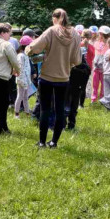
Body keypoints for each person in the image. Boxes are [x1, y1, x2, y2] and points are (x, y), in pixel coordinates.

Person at [26, 9, 81, 148]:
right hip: (63, 78)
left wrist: (28, 50)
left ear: (54, 18)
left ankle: (41, 142)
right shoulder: (75, 34)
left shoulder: (51, 31)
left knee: (45, 109)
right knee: (60, 110)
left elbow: (34, 48)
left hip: (46, 77)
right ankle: (54, 142)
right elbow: (77, 60)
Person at [0, 23, 21, 135]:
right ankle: (3, 126)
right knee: (3, 103)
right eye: (8, 33)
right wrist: (18, 71)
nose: (10, 36)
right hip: (1, 76)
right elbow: (14, 60)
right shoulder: (6, 45)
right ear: (2, 33)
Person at [91, 26, 110, 103]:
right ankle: (93, 98)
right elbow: (94, 53)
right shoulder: (96, 42)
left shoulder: (109, 43)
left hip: (104, 67)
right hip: (96, 65)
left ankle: (102, 97)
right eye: (100, 33)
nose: (100, 35)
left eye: (102, 34)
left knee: (103, 83)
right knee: (95, 83)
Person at [14, 43, 32, 118]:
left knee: (25, 97)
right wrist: (22, 80)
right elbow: (20, 68)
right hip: (22, 79)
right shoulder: (21, 55)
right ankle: (16, 113)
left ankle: (27, 112)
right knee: (20, 96)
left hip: (26, 79)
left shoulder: (26, 55)